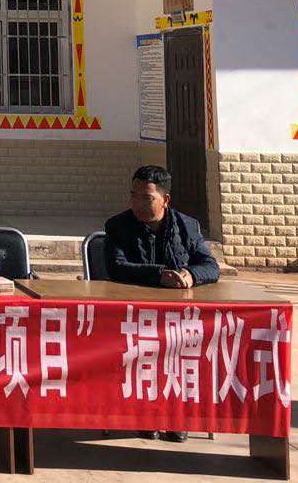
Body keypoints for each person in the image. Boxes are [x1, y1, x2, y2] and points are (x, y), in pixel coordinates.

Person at [105, 164, 219, 444]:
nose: (138, 204)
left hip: (178, 317)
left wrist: (191, 275)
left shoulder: (187, 226)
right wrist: (158, 275)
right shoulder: (118, 225)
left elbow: (210, 265)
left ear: (165, 200)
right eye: (133, 196)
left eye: (146, 198)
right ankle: (147, 414)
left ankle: (177, 415)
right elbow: (117, 268)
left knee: (185, 347)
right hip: (134, 316)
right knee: (144, 348)